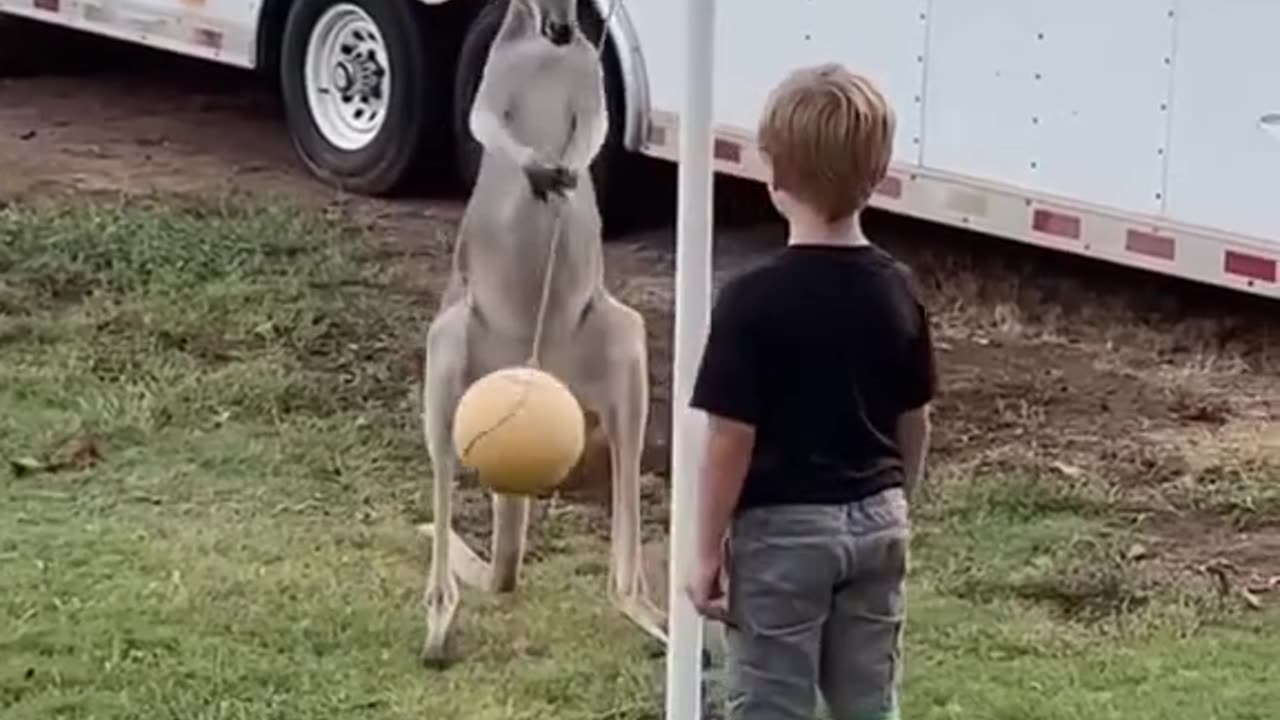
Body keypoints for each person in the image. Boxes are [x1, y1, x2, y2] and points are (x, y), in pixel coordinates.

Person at [684, 63, 937, 720]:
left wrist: (707, 549)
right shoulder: (898, 288)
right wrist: (895, 498)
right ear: (877, 175)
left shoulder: (750, 301)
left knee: (772, 702)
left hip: (784, 535)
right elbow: (915, 418)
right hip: (879, 521)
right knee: (867, 702)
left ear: (774, 178)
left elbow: (729, 438)